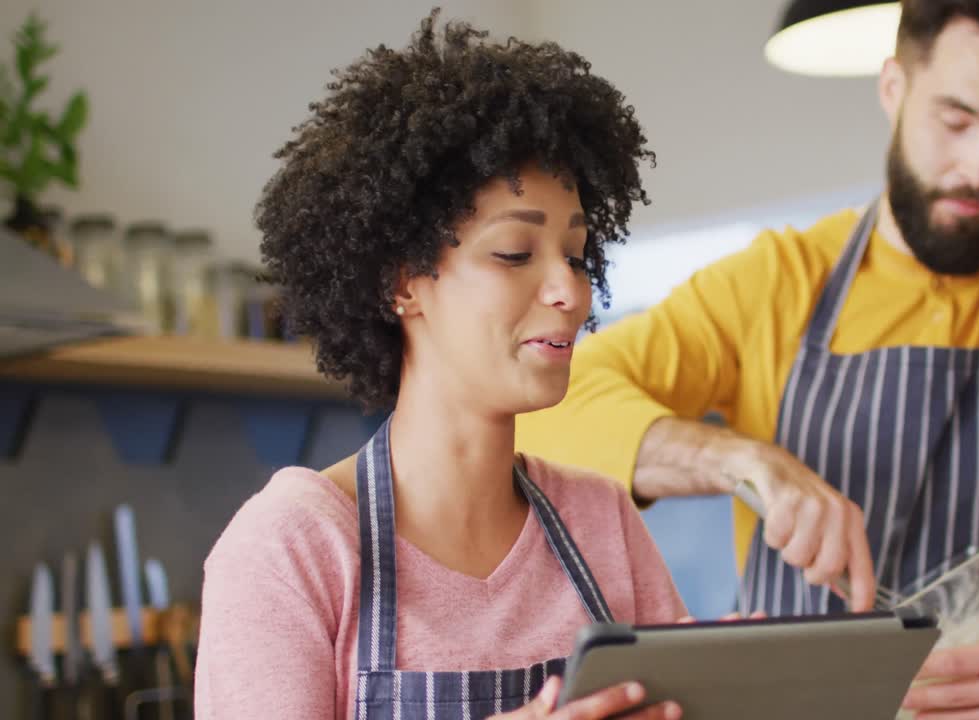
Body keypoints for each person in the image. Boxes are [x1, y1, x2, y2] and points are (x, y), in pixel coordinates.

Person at [515, 1, 979, 717]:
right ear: (894, 89)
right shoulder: (774, 283)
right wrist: (749, 465)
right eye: (955, 122)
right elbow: (545, 405)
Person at [194, 10, 689, 719]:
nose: (570, 290)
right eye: (515, 253)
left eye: (578, 257)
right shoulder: (292, 549)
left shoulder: (601, 522)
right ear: (402, 282)